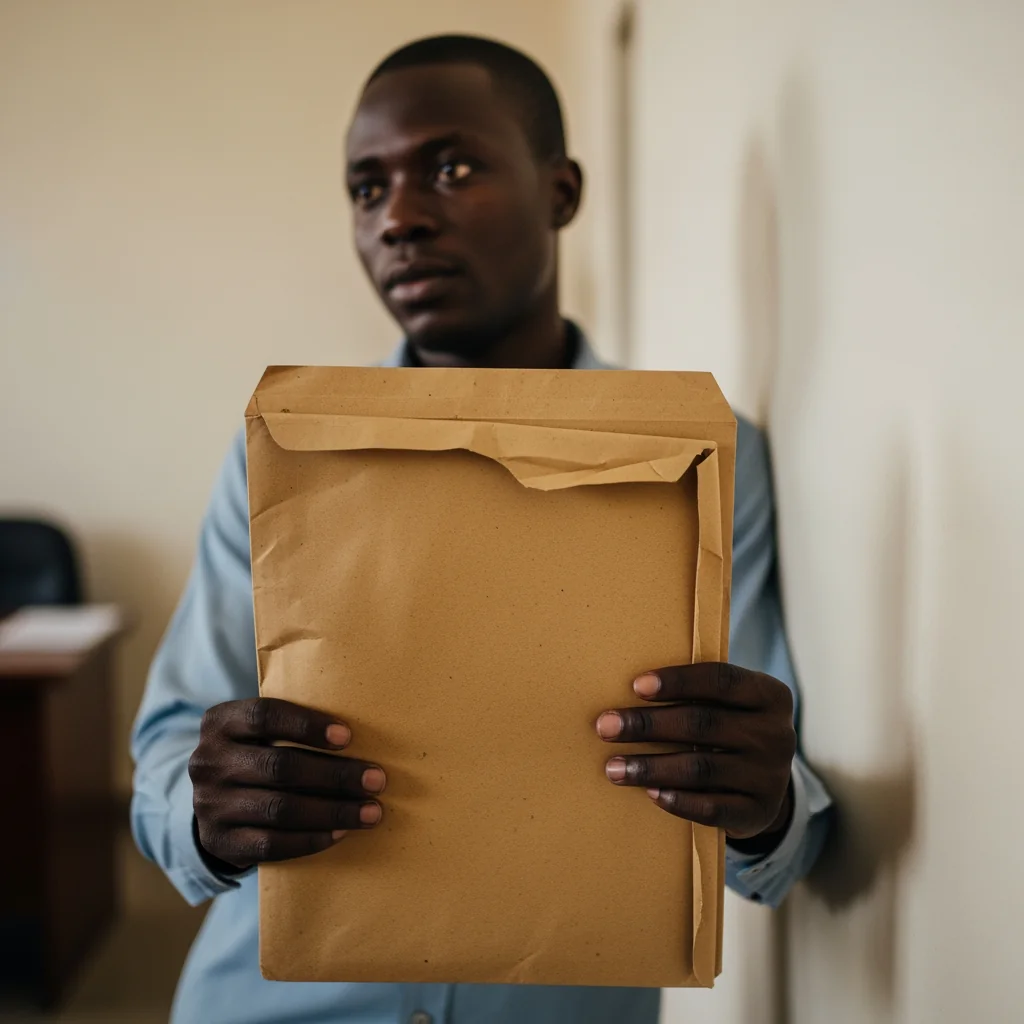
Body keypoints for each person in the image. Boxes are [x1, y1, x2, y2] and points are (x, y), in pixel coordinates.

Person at [132, 34, 833, 1024]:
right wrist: (204, 812)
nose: (401, 219)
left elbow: (782, 808)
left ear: (561, 191)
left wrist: (763, 808)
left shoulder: (702, 457)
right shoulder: (286, 449)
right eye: (365, 190)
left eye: (451, 168)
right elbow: (168, 745)